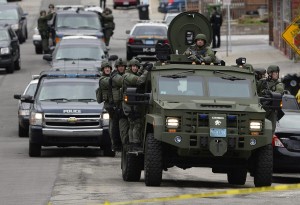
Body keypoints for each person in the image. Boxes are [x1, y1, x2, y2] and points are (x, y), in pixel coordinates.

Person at [122, 59, 152, 152]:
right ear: (130, 67)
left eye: (136, 66)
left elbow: (137, 74)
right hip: (129, 105)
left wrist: (143, 67)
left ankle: (132, 144)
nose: (135, 68)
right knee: (136, 124)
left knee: (133, 124)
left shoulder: (130, 74)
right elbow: (139, 81)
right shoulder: (127, 76)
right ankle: (135, 143)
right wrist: (146, 71)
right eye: (133, 66)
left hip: (132, 104)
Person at [97, 60, 120, 151]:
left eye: (108, 68)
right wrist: (116, 76)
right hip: (109, 106)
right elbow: (112, 82)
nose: (107, 69)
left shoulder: (111, 76)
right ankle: (113, 144)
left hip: (114, 105)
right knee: (112, 126)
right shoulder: (102, 79)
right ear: (103, 70)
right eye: (105, 68)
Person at [257, 65, 284, 133]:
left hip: (271, 109)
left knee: (271, 129)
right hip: (260, 108)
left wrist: (270, 93)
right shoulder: (262, 82)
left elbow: (279, 92)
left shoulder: (279, 84)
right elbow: (254, 91)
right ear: (270, 73)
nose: (277, 74)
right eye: (275, 72)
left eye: (278, 72)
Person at [110, 58, 128, 149]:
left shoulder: (125, 74)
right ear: (117, 67)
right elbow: (124, 81)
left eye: (122, 66)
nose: (121, 68)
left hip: (126, 106)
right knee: (118, 128)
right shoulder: (115, 76)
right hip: (117, 107)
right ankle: (117, 145)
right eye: (119, 66)